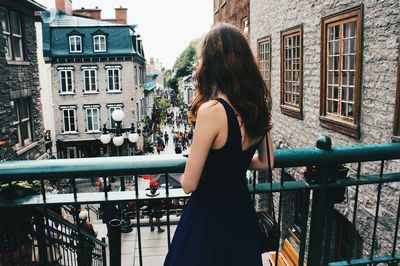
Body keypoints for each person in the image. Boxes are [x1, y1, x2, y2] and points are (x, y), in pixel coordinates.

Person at [164, 23, 273, 266]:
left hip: (209, 219)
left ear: (212, 63)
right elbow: (267, 162)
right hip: (240, 213)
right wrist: (231, 164)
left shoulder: (212, 111)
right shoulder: (257, 104)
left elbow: (189, 185)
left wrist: (200, 160)